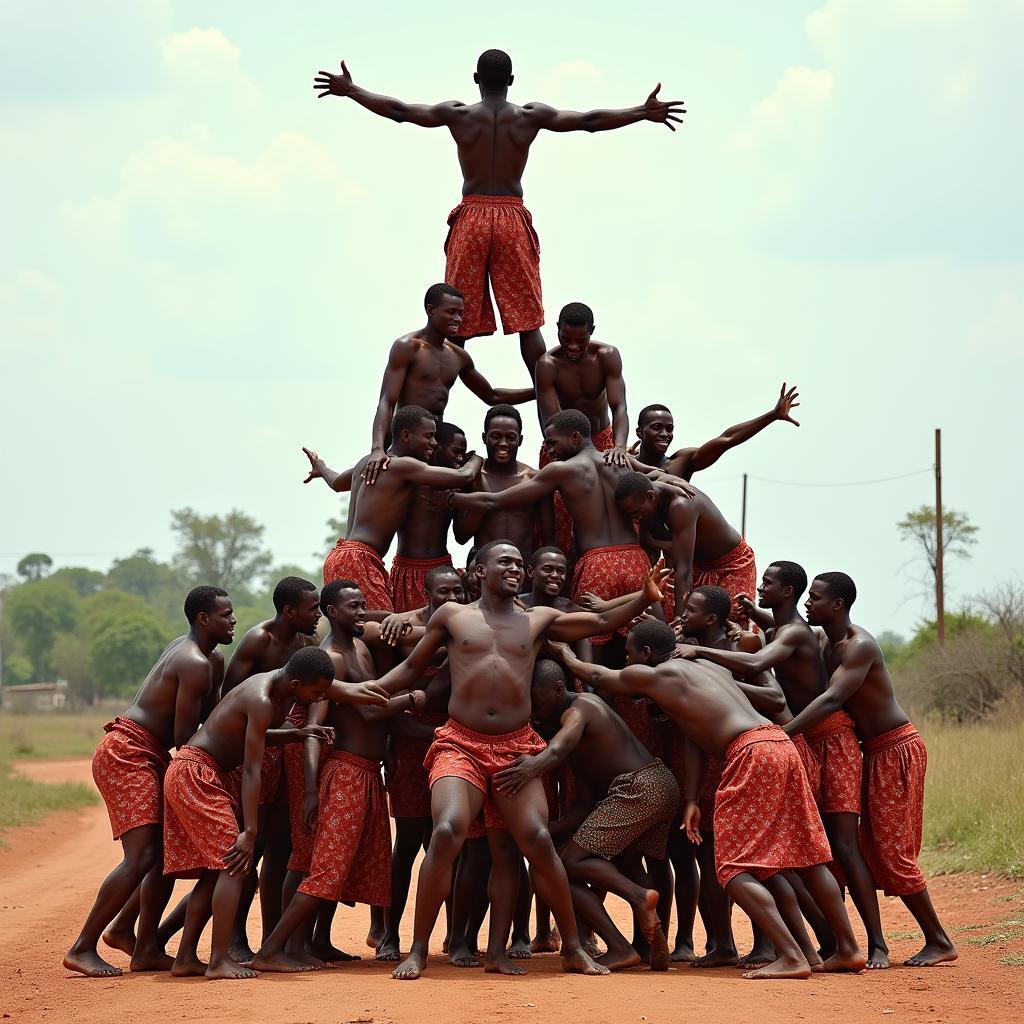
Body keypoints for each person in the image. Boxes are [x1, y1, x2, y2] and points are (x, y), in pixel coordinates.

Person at [370, 541, 672, 980]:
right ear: (479, 572)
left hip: (516, 745)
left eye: (518, 563)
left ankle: (572, 947)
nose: (514, 569)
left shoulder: (539, 620)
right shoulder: (453, 617)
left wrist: (644, 597)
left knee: (536, 838)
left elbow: (602, 620)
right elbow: (412, 669)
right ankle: (416, 949)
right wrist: (371, 690)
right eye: (504, 562)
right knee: (449, 829)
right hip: (461, 743)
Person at [313, 51, 684, 373]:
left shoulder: (457, 115)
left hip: (472, 217)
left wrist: (352, 90)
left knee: (456, 320)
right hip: (511, 216)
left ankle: (435, 408)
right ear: (511, 80)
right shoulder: (528, 116)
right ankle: (549, 410)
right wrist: (641, 112)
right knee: (527, 321)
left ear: (475, 80)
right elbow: (588, 122)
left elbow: (400, 112)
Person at [561, 619, 866, 980]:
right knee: (809, 858)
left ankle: (791, 956)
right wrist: (691, 798)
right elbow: (696, 736)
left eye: (629, 654)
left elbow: (598, 676)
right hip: (780, 745)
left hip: (750, 753)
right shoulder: (705, 667)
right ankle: (846, 949)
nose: (628, 662)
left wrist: (565, 653)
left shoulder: (656, 676)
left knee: (733, 868)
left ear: (645, 653)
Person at [680, 561, 889, 968]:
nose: (760, 587)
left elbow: (761, 666)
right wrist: (750, 616)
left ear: (789, 593)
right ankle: (830, 945)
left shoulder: (797, 633)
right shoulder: (782, 629)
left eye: (769, 584)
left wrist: (699, 654)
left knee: (834, 849)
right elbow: (770, 633)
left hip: (820, 738)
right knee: (808, 855)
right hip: (800, 741)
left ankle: (870, 944)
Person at [161, 647, 384, 980]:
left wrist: (297, 733)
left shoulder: (285, 683)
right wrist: (249, 831)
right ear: (297, 683)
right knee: (235, 863)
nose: (321, 698)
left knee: (217, 870)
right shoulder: (263, 698)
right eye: (316, 693)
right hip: (196, 774)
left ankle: (185, 958)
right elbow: (252, 770)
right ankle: (219, 959)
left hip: (202, 773)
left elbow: (337, 693)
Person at [251, 583, 428, 972]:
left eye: (364, 605)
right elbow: (319, 727)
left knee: (340, 864)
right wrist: (311, 790)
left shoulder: (361, 647)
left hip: (367, 771)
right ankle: (276, 948)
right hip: (345, 772)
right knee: (324, 865)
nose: (363, 612)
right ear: (331, 612)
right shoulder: (330, 658)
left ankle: (313, 942)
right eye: (354, 607)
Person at [784, 572, 958, 969]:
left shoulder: (857, 646)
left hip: (895, 748)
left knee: (892, 851)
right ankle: (866, 942)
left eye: (816, 597)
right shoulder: (824, 641)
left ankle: (938, 939)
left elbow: (831, 700)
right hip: (870, 752)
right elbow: (785, 630)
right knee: (862, 849)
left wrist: (786, 732)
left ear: (838, 605)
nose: (808, 603)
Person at [63, 587, 235, 978]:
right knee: (141, 856)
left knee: (162, 858)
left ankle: (139, 945)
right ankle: (82, 947)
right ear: (202, 620)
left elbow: (209, 718)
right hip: (128, 753)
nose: (233, 621)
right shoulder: (193, 661)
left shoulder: (212, 658)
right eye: (225, 615)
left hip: (148, 755)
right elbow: (183, 735)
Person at [495, 657, 679, 972]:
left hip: (639, 788)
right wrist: (551, 829)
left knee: (569, 863)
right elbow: (585, 801)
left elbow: (556, 750)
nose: (535, 714)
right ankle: (650, 945)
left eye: (537, 704)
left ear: (557, 689)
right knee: (627, 862)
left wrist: (529, 768)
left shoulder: (582, 708)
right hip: (656, 786)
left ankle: (634, 908)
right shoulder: (576, 731)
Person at [453, 411, 652, 667]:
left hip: (593, 565)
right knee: (646, 639)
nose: (549, 449)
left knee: (590, 642)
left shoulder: (554, 472)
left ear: (575, 437)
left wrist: (449, 498)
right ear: (484, 438)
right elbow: (653, 482)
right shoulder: (620, 461)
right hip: (635, 559)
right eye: (495, 437)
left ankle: (591, 696)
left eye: (552, 442)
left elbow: (501, 505)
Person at [218, 576, 322, 958]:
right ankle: (233, 938)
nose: (317, 615)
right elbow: (229, 696)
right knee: (253, 845)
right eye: (312, 609)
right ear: (289, 611)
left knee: (281, 845)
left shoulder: (307, 644)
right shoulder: (259, 640)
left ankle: (271, 942)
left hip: (287, 747)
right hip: (255, 748)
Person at [303, 404, 482, 609]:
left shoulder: (368, 463)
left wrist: (321, 467)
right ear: (406, 436)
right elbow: (465, 476)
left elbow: (336, 483)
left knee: (365, 629)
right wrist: (477, 458)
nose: (433, 443)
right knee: (386, 628)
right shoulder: (403, 466)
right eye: (428, 436)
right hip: (360, 560)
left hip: (341, 555)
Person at [377, 566, 466, 962]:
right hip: (413, 744)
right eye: (442, 592)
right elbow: (393, 699)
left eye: (458, 592)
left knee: (448, 843)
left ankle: (454, 937)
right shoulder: (406, 630)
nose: (452, 599)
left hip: (456, 744)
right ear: (426, 594)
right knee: (409, 842)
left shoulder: (468, 625)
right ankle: (389, 935)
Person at [363, 284, 534, 484]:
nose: (457, 319)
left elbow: (492, 396)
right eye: (451, 312)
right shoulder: (408, 347)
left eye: (460, 313)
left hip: (436, 440)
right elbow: (386, 401)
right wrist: (377, 449)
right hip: (409, 439)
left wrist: (539, 391)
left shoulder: (458, 356)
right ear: (430, 310)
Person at [535, 302, 630, 554]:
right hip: (561, 444)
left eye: (581, 340)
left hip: (603, 439)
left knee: (616, 507)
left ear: (592, 331)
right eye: (566, 339)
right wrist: (568, 456)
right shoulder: (547, 364)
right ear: (557, 330)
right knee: (561, 515)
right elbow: (552, 421)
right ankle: (562, 573)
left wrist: (620, 446)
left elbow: (619, 407)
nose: (573, 347)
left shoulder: (607, 356)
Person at [614, 471, 756, 627]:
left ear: (650, 496)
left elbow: (684, 569)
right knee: (669, 606)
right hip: (696, 563)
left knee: (726, 620)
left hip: (731, 564)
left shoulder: (680, 505)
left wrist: (680, 621)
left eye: (635, 512)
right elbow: (648, 541)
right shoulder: (654, 485)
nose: (635, 518)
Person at [631, 383, 801, 479]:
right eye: (656, 427)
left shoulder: (681, 462)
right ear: (639, 432)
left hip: (670, 542)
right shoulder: (624, 463)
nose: (664, 434)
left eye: (670, 429)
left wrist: (772, 415)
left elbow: (727, 438)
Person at [454, 404, 552, 567]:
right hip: (484, 578)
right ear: (484, 437)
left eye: (511, 437)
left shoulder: (535, 479)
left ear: (520, 440)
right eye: (495, 436)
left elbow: (548, 542)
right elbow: (461, 536)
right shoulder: (471, 478)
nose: (503, 443)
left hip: (522, 576)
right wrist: (479, 490)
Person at [390, 421, 467, 612]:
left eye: (464, 453)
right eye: (456, 451)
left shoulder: (455, 483)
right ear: (437, 448)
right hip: (408, 568)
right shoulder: (410, 476)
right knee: (408, 629)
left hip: (442, 568)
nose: (461, 458)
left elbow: (462, 536)